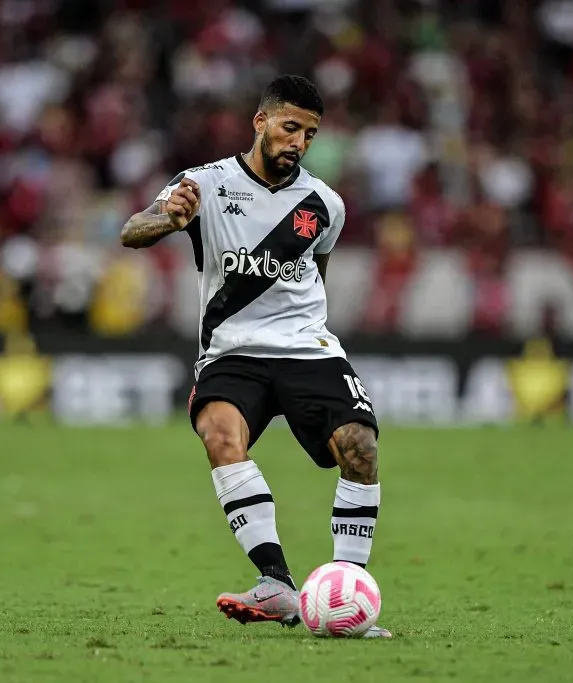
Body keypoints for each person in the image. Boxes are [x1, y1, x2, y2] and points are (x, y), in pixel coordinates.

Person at [120, 75, 390, 638]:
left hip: (304, 347)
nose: (299, 142)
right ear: (260, 122)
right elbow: (132, 230)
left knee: (360, 447)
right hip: (231, 350)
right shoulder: (204, 184)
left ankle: (345, 591)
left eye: (310, 134)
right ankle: (276, 583)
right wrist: (168, 218)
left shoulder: (325, 205)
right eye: (291, 127)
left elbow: (316, 277)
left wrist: (306, 331)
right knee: (219, 435)